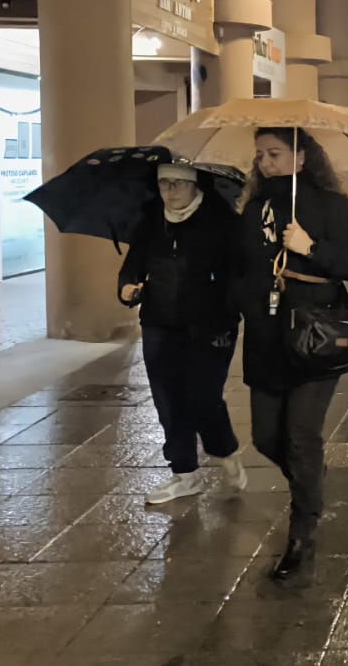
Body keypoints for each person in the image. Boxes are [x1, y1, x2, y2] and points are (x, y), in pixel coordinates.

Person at [237, 127, 348, 581]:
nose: (265, 163)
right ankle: (310, 480)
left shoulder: (331, 206)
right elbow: (240, 268)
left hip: (314, 338)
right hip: (265, 338)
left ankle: (302, 531)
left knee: (301, 435)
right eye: (260, 155)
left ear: (300, 158)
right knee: (265, 438)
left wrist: (308, 247)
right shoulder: (253, 209)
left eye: (275, 153)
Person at [118, 163, 247, 506]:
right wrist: (127, 288)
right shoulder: (151, 222)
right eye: (164, 184)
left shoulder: (221, 223)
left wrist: (227, 301)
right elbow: (132, 266)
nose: (170, 191)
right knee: (168, 401)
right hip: (159, 323)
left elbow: (239, 272)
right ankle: (184, 473)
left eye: (178, 183)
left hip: (211, 324)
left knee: (203, 396)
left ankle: (223, 448)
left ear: (195, 186)